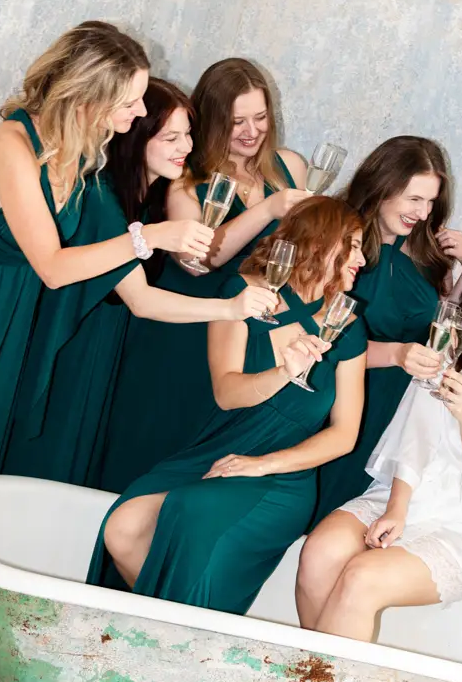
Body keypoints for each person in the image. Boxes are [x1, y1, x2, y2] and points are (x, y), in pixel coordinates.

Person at [0, 23, 266, 682]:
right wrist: (150, 236)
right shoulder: (13, 145)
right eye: (130, 100)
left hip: (7, 332)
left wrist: (231, 310)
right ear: (89, 93)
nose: (137, 114)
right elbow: (55, 267)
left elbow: (139, 299)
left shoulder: (84, 167)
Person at [88, 196, 368, 616]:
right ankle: (185, 627)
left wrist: (263, 465)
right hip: (221, 450)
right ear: (319, 243)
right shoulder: (242, 293)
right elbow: (227, 392)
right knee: (122, 526)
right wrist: (283, 373)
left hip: (282, 478)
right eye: (354, 246)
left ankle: (175, 633)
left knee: (191, 513)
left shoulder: (349, 325)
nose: (362, 260)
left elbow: (344, 436)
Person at [3, 78, 274, 487]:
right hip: (80, 338)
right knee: (56, 462)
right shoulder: (103, 197)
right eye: (171, 138)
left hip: (117, 338)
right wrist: (231, 309)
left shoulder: (151, 196)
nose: (187, 147)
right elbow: (141, 300)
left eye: (188, 135)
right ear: (135, 138)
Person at [297, 246, 462, 639]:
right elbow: (413, 434)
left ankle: (321, 676)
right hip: (401, 497)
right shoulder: (455, 352)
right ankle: (309, 670)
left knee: (361, 578)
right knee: (319, 552)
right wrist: (396, 508)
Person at [100, 57, 309, 491]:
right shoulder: (185, 179)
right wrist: (267, 210)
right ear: (212, 121)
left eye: (260, 117)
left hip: (245, 336)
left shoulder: (289, 167)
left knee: (211, 466)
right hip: (182, 332)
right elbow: (201, 260)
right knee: (153, 452)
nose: (251, 131)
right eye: (237, 121)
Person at [315, 136, 462, 521]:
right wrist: (396, 354)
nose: (423, 213)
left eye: (431, 202)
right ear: (382, 187)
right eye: (414, 199)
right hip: (340, 397)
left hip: (397, 406)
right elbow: (321, 337)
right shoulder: (339, 238)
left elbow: (439, 326)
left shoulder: (424, 248)